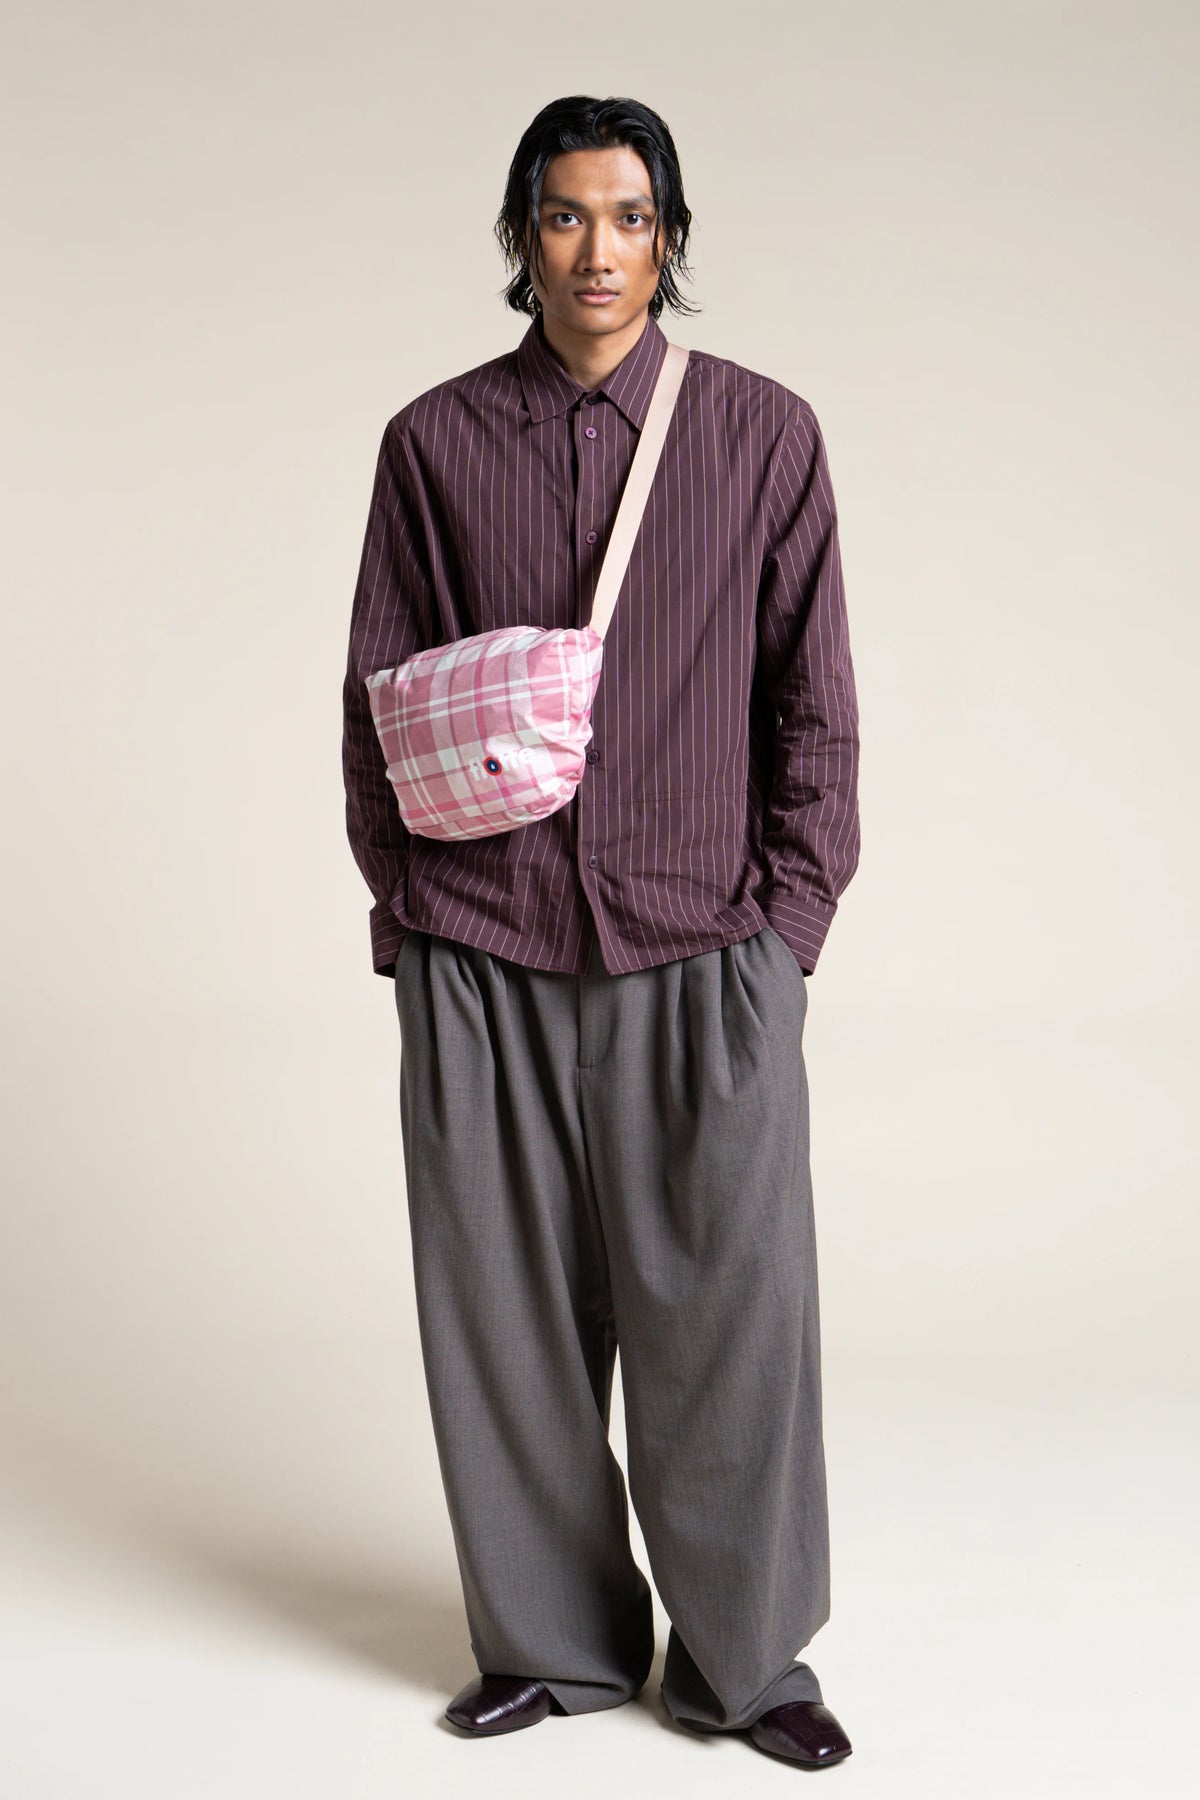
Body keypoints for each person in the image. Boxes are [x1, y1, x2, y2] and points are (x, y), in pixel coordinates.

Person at [342, 94, 861, 1771]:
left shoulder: (762, 435)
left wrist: (784, 939)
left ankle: (745, 1663)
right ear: (523, 237)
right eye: (564, 216)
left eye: (629, 217)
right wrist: (413, 928)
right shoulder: (432, 443)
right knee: (502, 1326)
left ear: (671, 238)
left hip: (701, 946)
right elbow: (378, 696)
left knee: (732, 1322)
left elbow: (815, 710)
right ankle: (551, 1648)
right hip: (483, 947)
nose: (596, 250)